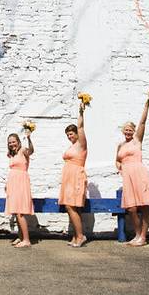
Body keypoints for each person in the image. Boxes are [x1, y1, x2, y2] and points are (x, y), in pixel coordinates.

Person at [116, 97, 149, 246]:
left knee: (144, 205)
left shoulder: (137, 140)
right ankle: (137, 234)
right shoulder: (120, 145)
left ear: (133, 131)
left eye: (130, 130)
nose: (128, 132)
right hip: (127, 176)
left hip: (139, 173)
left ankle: (143, 237)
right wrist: (118, 166)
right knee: (132, 208)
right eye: (126, 130)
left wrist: (146, 105)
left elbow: (143, 123)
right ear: (123, 131)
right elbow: (117, 160)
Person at [58, 104, 88, 247]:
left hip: (76, 176)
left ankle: (80, 236)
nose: (70, 136)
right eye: (68, 135)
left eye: (72, 134)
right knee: (71, 207)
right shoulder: (71, 146)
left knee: (72, 206)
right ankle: (77, 236)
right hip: (68, 177)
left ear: (77, 134)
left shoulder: (81, 145)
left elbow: (81, 127)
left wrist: (81, 111)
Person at [5, 130, 34, 248]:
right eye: (10, 143)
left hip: (21, 182)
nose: (12, 144)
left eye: (14, 142)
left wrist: (29, 138)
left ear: (18, 141)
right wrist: (7, 184)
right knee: (16, 210)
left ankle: (26, 240)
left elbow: (31, 151)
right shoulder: (11, 154)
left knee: (20, 211)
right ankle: (21, 237)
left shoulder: (23, 151)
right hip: (13, 182)